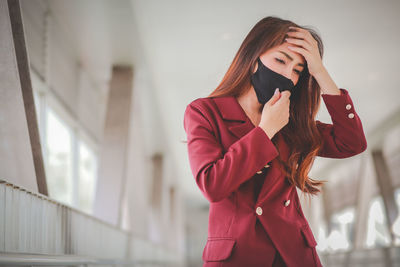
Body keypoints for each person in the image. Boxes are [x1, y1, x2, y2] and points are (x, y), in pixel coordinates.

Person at [183, 16, 367, 267]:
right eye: (280, 60)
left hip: (293, 255)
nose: (286, 74)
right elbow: (212, 185)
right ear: (252, 58)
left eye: (297, 71)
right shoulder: (205, 112)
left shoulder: (292, 122)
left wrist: (320, 72)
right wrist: (266, 129)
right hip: (238, 256)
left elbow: (352, 142)